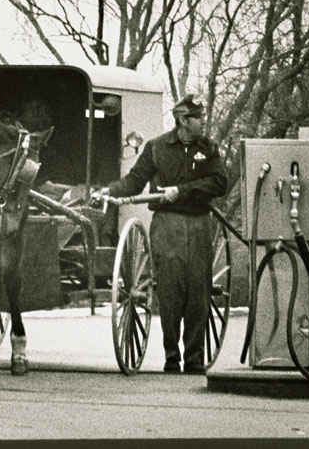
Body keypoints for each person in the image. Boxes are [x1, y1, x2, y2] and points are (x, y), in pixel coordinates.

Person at [93, 94, 228, 374]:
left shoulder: (209, 149)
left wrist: (182, 190)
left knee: (198, 292)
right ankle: (171, 356)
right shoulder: (157, 148)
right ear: (182, 121)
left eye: (201, 116)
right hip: (167, 225)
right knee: (170, 291)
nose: (203, 121)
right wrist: (111, 190)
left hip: (200, 222)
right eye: (197, 117)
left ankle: (194, 358)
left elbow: (219, 182)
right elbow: (134, 180)